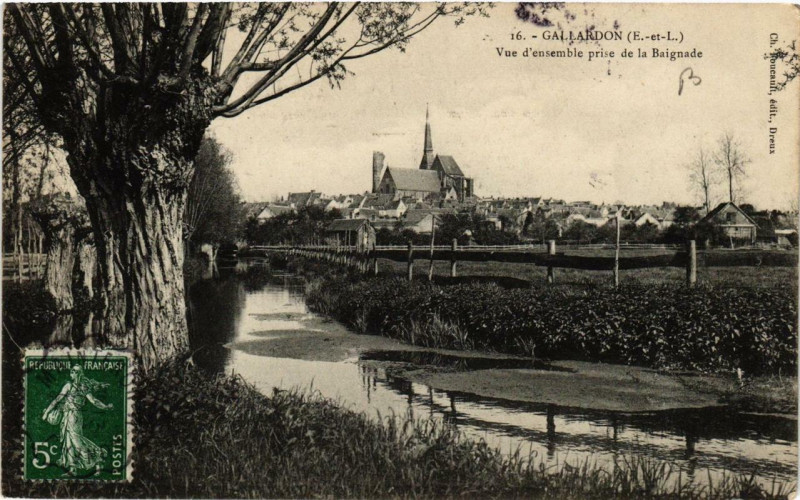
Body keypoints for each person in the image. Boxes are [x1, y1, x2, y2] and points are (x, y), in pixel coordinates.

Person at [42, 364, 112, 476]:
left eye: (74, 371)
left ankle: (98, 459)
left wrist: (105, 407)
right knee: (68, 441)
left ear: (79, 373)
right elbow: (58, 400)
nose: (72, 373)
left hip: (74, 416)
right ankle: (73, 469)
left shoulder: (75, 386)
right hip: (69, 416)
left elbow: (93, 401)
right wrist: (106, 406)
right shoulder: (78, 386)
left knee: (77, 441)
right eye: (71, 371)